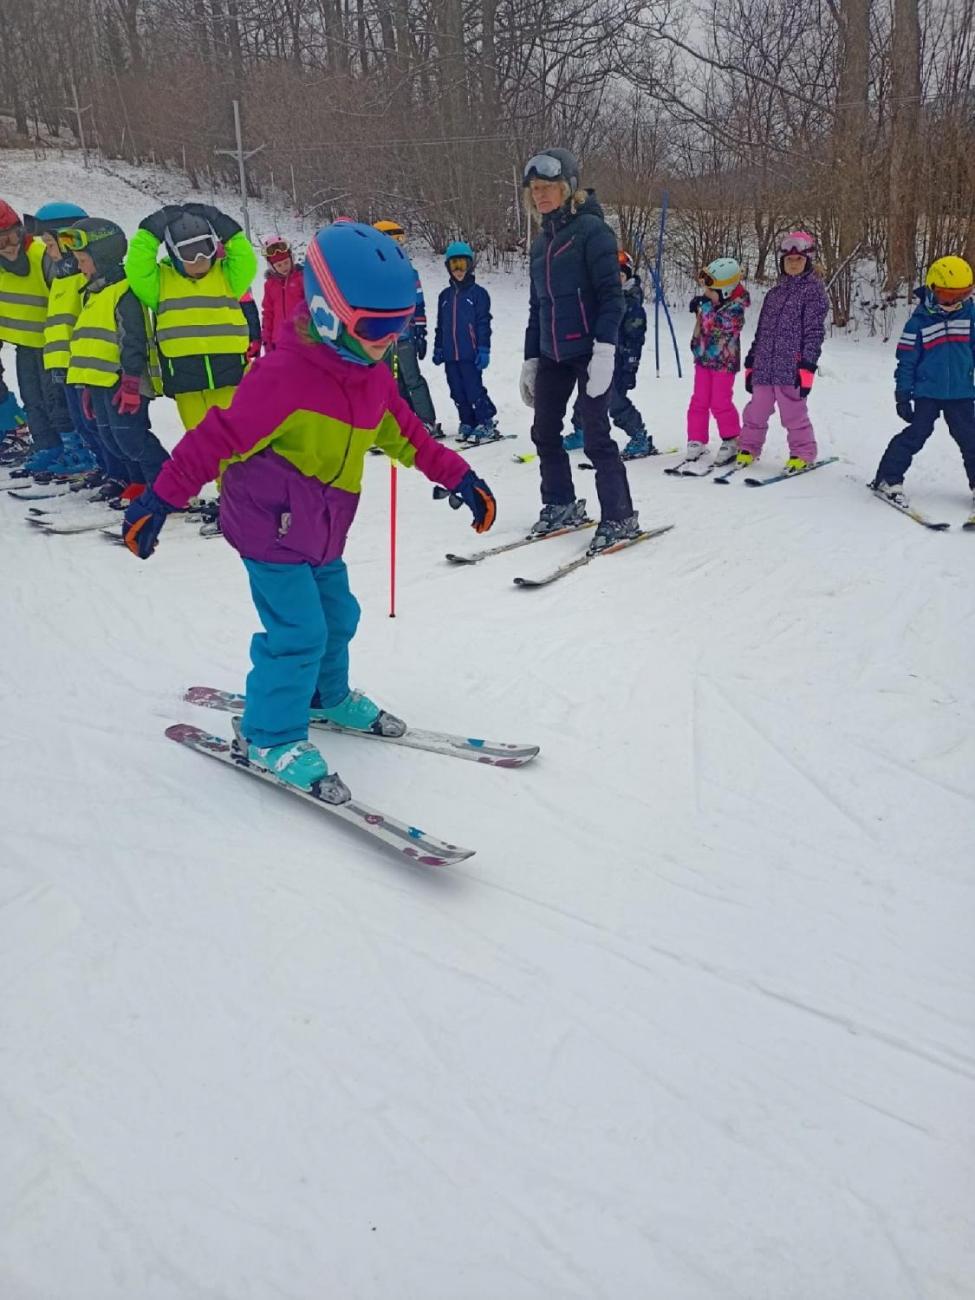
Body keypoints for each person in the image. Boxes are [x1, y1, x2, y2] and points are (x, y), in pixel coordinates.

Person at [121, 221, 496, 793]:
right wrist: (159, 498)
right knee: (298, 632)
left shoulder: (372, 377)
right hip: (268, 527)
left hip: (322, 528)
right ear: (326, 313)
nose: (389, 340)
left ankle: (325, 697)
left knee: (338, 618)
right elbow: (214, 439)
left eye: (399, 325)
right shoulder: (282, 377)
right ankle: (268, 734)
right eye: (376, 326)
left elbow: (409, 436)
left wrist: (460, 476)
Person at [519, 148, 637, 552]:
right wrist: (530, 358)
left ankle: (620, 516)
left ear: (568, 187)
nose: (541, 196)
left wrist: (605, 350)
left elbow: (612, 298)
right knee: (544, 431)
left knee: (595, 435)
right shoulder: (540, 245)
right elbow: (539, 306)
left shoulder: (593, 233)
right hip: (553, 353)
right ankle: (560, 502)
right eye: (535, 190)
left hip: (590, 350)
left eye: (548, 187)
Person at [61, 218, 169, 504]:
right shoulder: (94, 293)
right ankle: (138, 482)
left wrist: (132, 381)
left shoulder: (123, 292)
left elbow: (131, 339)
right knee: (112, 439)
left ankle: (167, 485)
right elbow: (92, 344)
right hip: (100, 383)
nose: (79, 266)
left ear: (103, 257)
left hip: (124, 382)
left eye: (83, 260)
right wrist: (87, 385)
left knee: (131, 439)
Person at [124, 202, 257, 430]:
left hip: (231, 373)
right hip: (186, 378)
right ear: (174, 253)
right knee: (199, 436)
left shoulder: (228, 276)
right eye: (188, 252)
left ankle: (241, 466)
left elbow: (246, 258)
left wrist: (219, 221)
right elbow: (137, 268)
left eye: (205, 248)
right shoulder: (160, 283)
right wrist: (150, 230)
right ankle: (206, 467)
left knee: (238, 432)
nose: (198, 258)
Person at [871, 255, 975, 508]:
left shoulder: (970, 316)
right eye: (949, 295)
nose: (956, 301)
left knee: (970, 438)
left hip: (961, 393)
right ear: (933, 288)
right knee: (916, 434)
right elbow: (906, 361)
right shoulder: (918, 322)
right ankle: (888, 478)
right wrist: (903, 395)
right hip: (926, 392)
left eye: (963, 294)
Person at [25, 202, 106, 481]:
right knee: (70, 416)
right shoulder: (60, 277)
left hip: (78, 365)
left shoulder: (82, 280)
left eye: (50, 243)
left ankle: (97, 461)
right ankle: (83, 457)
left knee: (88, 420)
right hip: (60, 362)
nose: (47, 251)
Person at [736, 231, 828, 472]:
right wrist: (752, 359)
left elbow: (814, 332)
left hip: (792, 367)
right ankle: (748, 447)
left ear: (808, 261)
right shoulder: (773, 295)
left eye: (798, 260)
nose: (793, 264)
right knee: (756, 409)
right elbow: (762, 330)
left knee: (793, 413)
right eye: (788, 260)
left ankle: (803, 452)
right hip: (765, 364)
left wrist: (807, 365)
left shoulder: (814, 292)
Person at [0, 199, 74, 479]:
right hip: (25, 345)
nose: (9, 246)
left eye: (12, 236)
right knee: (33, 400)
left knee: (56, 402)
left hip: (53, 346)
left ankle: (72, 450)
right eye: (1, 240)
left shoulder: (42, 256)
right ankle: (47, 447)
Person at [565, 249, 655, 459]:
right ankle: (581, 431)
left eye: (620, 275)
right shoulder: (599, 298)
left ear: (628, 277)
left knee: (613, 400)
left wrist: (630, 365)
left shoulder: (631, 304)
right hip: (595, 356)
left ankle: (639, 435)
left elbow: (635, 338)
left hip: (620, 361)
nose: (616, 280)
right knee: (585, 393)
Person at [372, 219, 443, 437]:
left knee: (412, 378)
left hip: (404, 336)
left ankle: (426, 421)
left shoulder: (407, 271)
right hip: (383, 339)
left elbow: (418, 303)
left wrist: (420, 332)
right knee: (393, 383)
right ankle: (405, 422)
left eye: (399, 242)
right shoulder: (373, 274)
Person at [685, 256, 750, 465]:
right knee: (699, 400)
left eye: (710, 291)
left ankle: (731, 438)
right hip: (703, 360)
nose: (705, 294)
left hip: (724, 364)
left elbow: (716, 325)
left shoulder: (736, 310)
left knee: (720, 402)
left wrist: (703, 308)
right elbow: (703, 326)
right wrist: (702, 305)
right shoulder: (713, 304)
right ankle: (696, 438)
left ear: (725, 293)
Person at [432, 240, 497, 443]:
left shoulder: (478, 294)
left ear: (469, 266)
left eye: (462, 265)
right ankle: (467, 421)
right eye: (454, 265)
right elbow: (440, 325)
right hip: (451, 355)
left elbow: (484, 323)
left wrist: (484, 349)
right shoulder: (445, 296)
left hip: (470, 353)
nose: (458, 270)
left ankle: (485, 420)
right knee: (456, 390)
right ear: (448, 268)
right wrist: (438, 347)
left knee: (473, 388)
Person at [260, 237, 305, 352]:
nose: (284, 267)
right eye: (279, 265)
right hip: (279, 341)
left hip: (301, 339)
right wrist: (267, 340)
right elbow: (268, 314)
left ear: (291, 259)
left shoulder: (302, 279)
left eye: (286, 262)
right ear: (272, 267)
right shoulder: (270, 285)